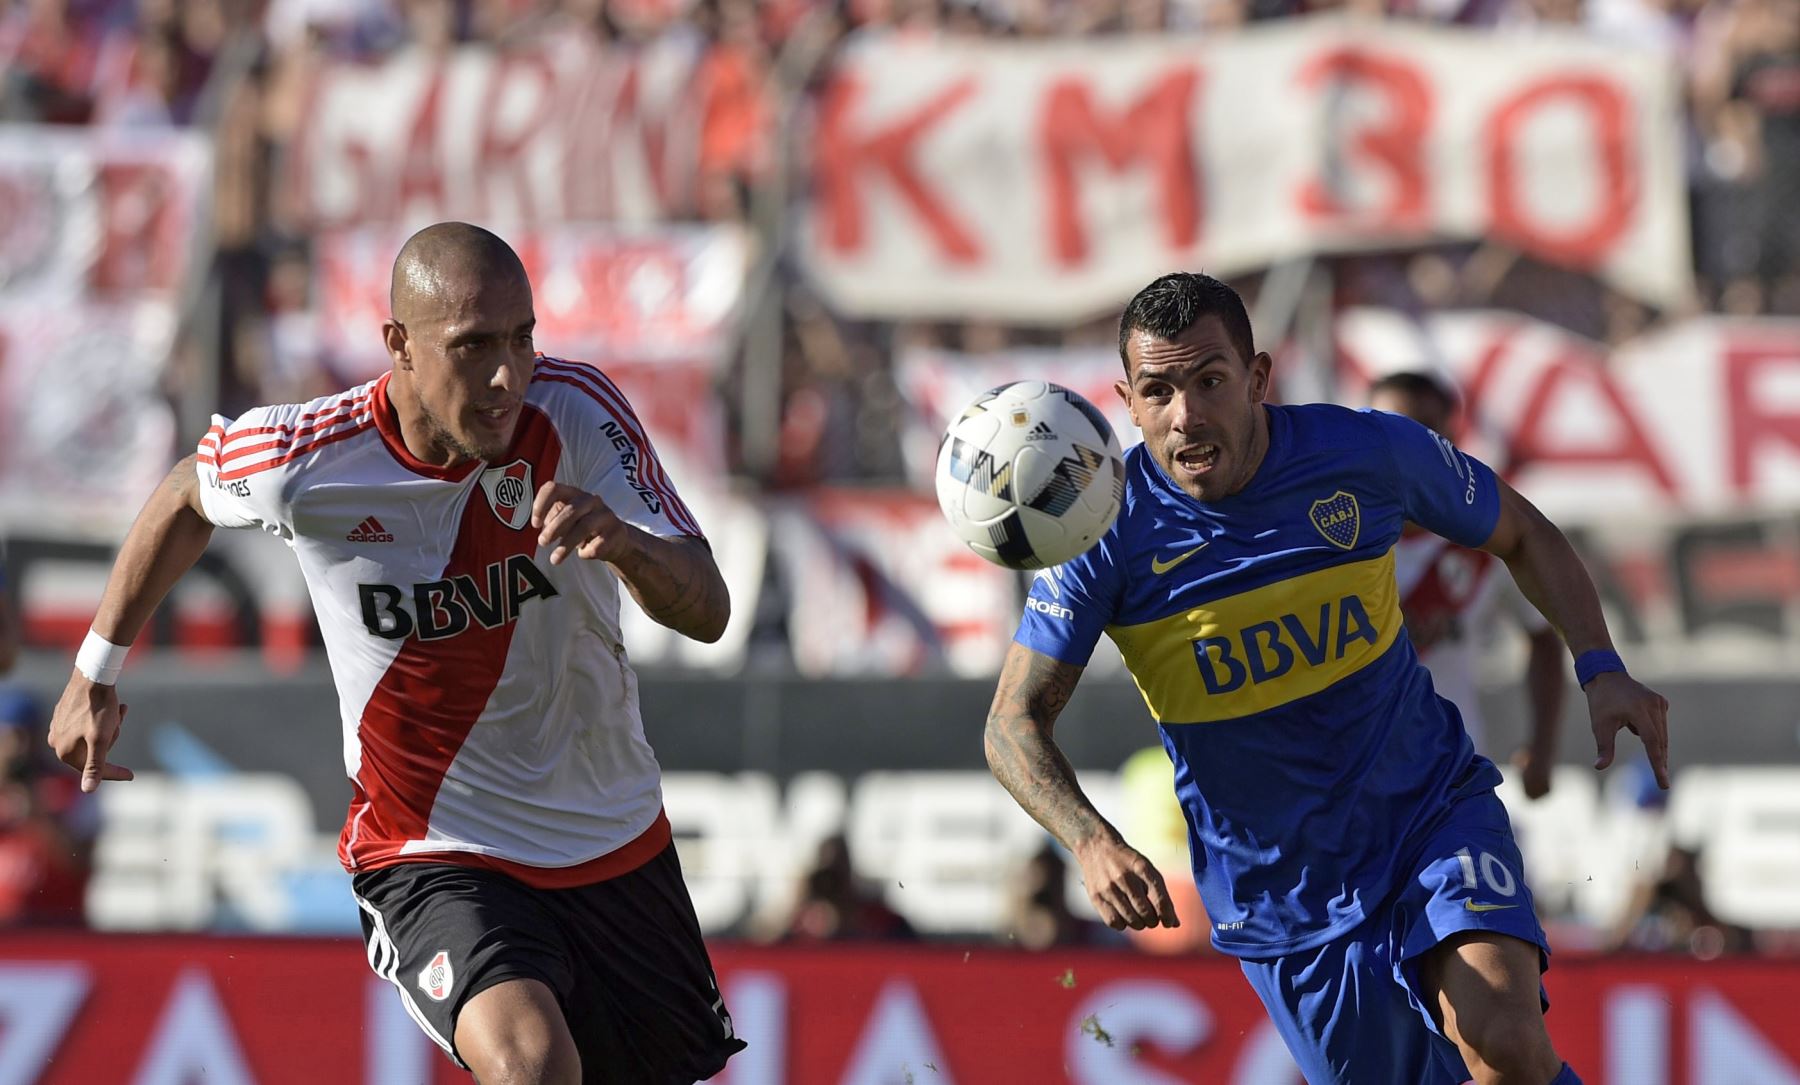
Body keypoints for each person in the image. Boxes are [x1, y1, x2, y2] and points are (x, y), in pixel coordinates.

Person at [46, 222, 745, 1085]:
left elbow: (710, 609)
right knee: (530, 1065)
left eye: (522, 339)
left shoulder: (577, 411)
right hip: (433, 849)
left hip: (613, 836)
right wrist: (94, 669)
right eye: (473, 346)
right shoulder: (307, 458)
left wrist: (630, 546)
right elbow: (186, 494)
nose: (507, 376)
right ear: (399, 344)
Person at [985, 272, 1670, 1085]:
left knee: (1505, 1038)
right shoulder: (1104, 532)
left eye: (1210, 380)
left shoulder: (1363, 453)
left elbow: (1520, 530)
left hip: (1426, 811)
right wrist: (1091, 841)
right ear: (1126, 403)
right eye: (1159, 391)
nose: (1186, 414)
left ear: (1258, 378)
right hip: (1282, 896)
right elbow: (1012, 723)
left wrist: (1601, 666)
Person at [1367, 371, 1566, 800]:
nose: (1406, 446)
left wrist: (1542, 748)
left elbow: (1544, 638)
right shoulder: (1332, 538)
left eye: (1424, 431)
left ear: (1450, 440)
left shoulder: (1485, 543)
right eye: (1387, 430)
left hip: (1452, 776)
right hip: (1351, 779)